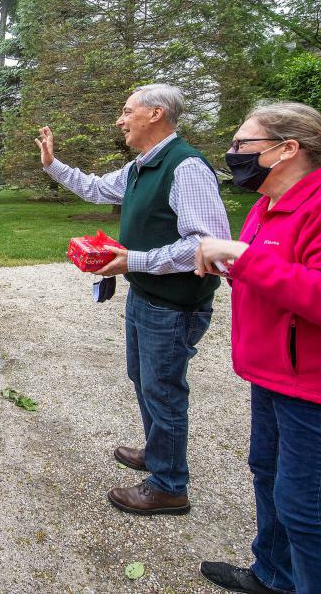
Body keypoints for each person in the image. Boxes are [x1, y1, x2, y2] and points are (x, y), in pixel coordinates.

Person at [195, 102, 321, 594]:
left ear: (287, 149)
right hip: (272, 373)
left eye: (243, 145)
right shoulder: (269, 206)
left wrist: (241, 257)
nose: (232, 154)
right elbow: (276, 278)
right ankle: (273, 575)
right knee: (266, 475)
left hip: (320, 385)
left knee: (302, 508)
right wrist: (233, 264)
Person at [36, 83, 230, 515]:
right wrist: (53, 165)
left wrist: (132, 261)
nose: (120, 120)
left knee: (163, 391)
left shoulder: (186, 167)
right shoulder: (143, 166)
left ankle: (168, 485)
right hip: (147, 295)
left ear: (156, 114)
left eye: (127, 111)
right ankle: (158, 452)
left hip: (176, 304)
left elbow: (208, 244)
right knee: (143, 381)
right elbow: (96, 189)